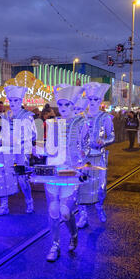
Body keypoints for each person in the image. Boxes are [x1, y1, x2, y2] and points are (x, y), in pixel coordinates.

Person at [43, 85, 88, 262]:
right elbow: (49, 148)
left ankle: (74, 233)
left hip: (71, 173)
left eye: (66, 105)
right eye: (60, 105)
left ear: (73, 105)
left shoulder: (82, 124)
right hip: (54, 172)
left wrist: (81, 164)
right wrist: (40, 150)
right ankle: (55, 246)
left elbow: (86, 149)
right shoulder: (53, 124)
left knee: (65, 212)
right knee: (53, 210)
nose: (62, 109)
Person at [0, 85, 35, 216]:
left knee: (22, 178)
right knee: (4, 177)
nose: (13, 104)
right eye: (11, 101)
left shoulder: (27, 116)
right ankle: (4, 206)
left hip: (21, 151)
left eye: (16, 101)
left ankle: (29, 201)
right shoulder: (5, 116)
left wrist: (18, 140)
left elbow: (33, 134)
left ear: (21, 101)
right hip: (7, 151)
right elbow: (2, 133)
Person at [77, 82, 114, 228]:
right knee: (81, 186)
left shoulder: (106, 117)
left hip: (99, 156)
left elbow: (112, 137)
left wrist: (103, 141)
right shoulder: (80, 117)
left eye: (96, 100)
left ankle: (100, 207)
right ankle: (83, 216)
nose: (92, 103)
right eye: (90, 99)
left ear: (100, 101)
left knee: (100, 187)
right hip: (83, 158)